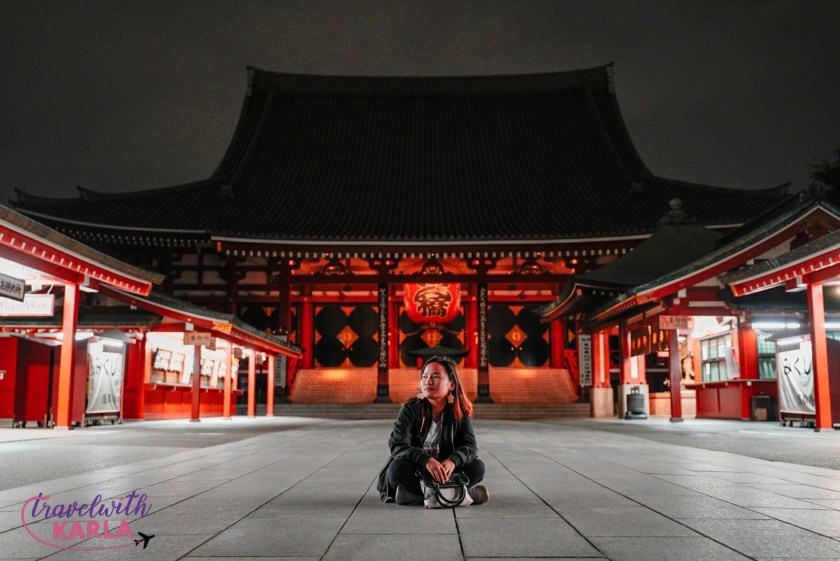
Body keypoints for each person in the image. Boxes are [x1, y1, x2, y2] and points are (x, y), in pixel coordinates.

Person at [377, 355, 488, 505]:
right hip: (418, 471)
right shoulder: (410, 409)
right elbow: (398, 445)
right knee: (396, 469)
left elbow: (470, 446)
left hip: (445, 472)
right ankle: (461, 494)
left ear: (451, 385)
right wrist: (426, 460)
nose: (428, 381)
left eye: (435, 377)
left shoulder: (458, 411)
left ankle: (417, 497)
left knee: (477, 467)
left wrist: (452, 461)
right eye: (424, 377)